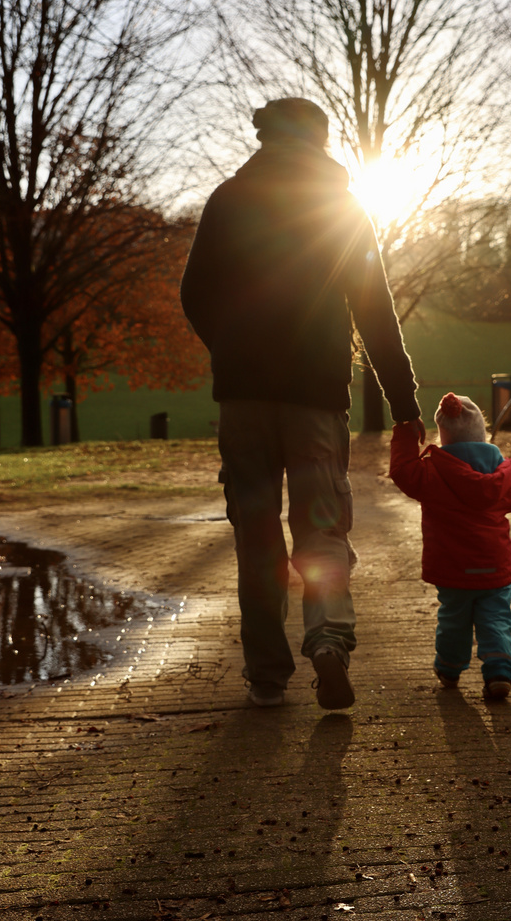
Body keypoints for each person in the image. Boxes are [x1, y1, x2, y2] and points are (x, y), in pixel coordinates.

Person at [180, 97, 424, 710]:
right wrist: (404, 406)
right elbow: (376, 311)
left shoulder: (228, 200)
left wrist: (231, 349)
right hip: (316, 401)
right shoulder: (341, 207)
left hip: (242, 402)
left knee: (256, 538)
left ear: (263, 137)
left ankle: (266, 676)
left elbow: (193, 294)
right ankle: (328, 642)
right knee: (321, 528)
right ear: (319, 139)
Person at [389, 392, 511, 699]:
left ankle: (449, 667)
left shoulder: (432, 471)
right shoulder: (500, 472)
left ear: (444, 435)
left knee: (453, 617)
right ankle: (498, 670)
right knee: (495, 617)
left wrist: (404, 431)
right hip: (494, 565)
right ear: (482, 434)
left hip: (451, 566)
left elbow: (402, 471)